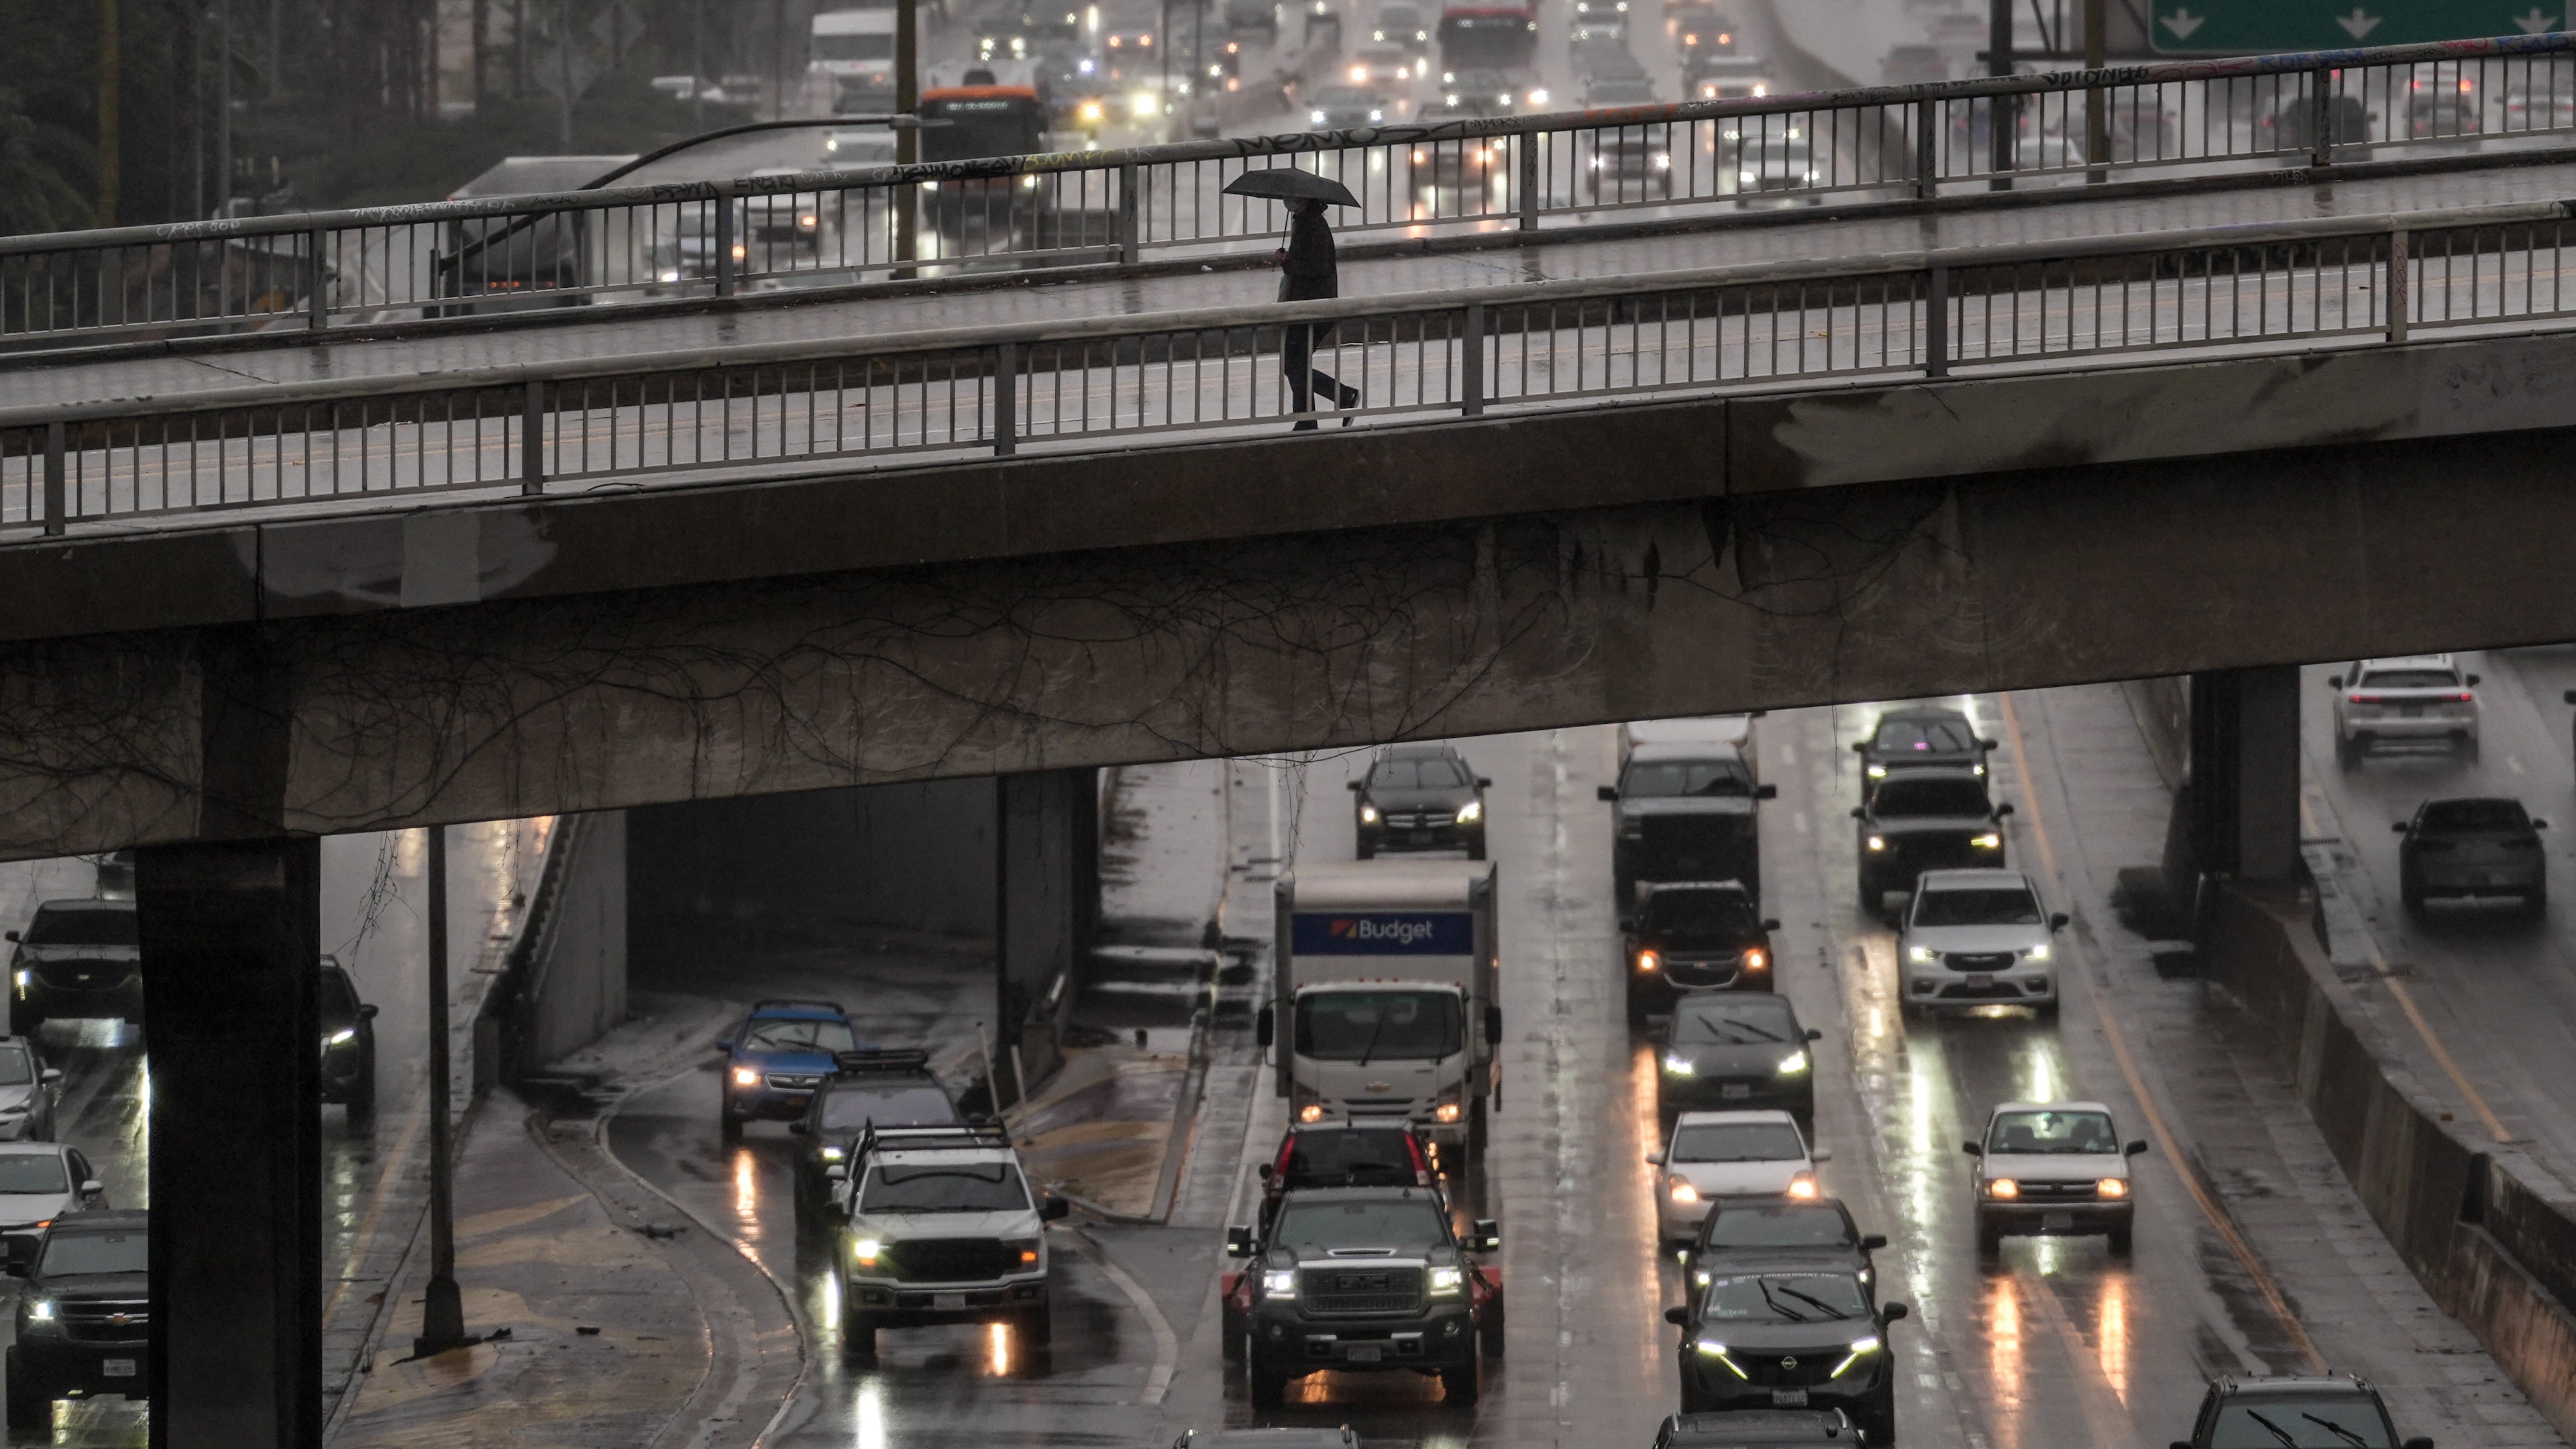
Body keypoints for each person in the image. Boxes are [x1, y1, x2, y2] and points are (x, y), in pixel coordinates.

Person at [1271, 196, 1360, 431]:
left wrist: (1288, 262)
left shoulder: (1313, 225)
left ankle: (1343, 397)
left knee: (1294, 363)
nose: (1288, 202)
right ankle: (1307, 420)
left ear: (1305, 200)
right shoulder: (1304, 222)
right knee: (1296, 363)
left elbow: (1317, 268)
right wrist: (1288, 259)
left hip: (1315, 307)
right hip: (1307, 306)